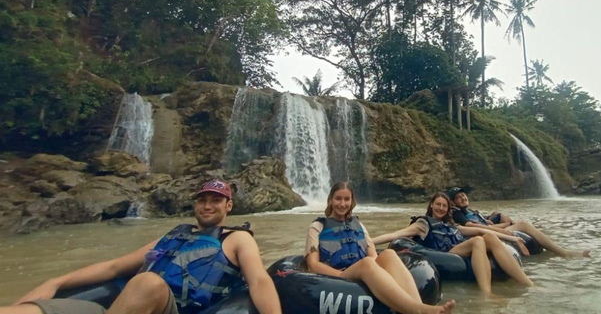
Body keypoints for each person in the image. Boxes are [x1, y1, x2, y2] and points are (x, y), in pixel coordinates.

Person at [1, 179, 281, 314]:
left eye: (216, 200)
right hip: (126, 306)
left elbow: (258, 280)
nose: (208, 205)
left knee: (148, 282)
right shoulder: (174, 235)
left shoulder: (236, 238)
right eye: (202, 199)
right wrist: (56, 281)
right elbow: (114, 267)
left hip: (174, 309)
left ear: (228, 206)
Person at [305, 181, 455, 314]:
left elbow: (373, 255)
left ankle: (417, 306)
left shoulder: (359, 226)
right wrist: (340, 275)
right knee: (367, 263)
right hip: (339, 276)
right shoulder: (317, 226)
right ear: (330, 200)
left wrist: (377, 274)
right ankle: (420, 310)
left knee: (388, 253)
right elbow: (312, 265)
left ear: (352, 202)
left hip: (361, 273)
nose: (342, 204)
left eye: (346, 199)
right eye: (338, 199)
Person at [371, 192, 534, 293]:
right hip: (446, 256)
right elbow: (395, 234)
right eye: (438, 204)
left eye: (444, 206)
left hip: (458, 251)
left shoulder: (452, 225)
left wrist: (514, 238)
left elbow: (484, 230)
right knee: (478, 241)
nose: (441, 208)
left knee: (488, 237)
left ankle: (526, 283)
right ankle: (486, 293)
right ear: (431, 205)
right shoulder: (422, 224)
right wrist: (369, 242)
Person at [446, 186, 591, 258]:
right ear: (453, 202)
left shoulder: (470, 211)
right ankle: (564, 253)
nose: (464, 198)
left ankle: (553, 248)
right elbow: (472, 226)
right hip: (488, 234)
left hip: (491, 228)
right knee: (524, 224)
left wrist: (499, 218)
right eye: (459, 197)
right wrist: (505, 227)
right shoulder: (458, 213)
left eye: (464, 195)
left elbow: (486, 223)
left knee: (500, 214)